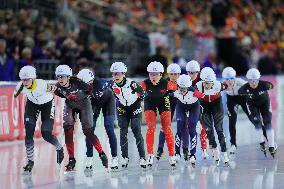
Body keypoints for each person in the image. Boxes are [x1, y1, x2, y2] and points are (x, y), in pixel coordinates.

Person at [53, 65, 108, 171]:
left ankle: (101, 153)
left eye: (62, 77)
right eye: (58, 77)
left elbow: (90, 90)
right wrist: (68, 97)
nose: (60, 79)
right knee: (68, 130)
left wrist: (83, 96)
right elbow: (58, 93)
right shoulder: (58, 87)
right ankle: (71, 159)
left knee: (88, 131)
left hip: (84, 104)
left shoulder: (78, 82)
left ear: (68, 77)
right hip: (70, 105)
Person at [14, 66, 64, 172]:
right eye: (23, 79)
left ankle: (59, 147)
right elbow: (15, 95)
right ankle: (30, 161)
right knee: (29, 130)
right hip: (32, 105)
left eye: (27, 79)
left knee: (46, 133)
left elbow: (54, 89)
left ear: (33, 78)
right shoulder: (20, 86)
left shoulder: (41, 84)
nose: (25, 82)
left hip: (47, 105)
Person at [77, 69, 118, 170]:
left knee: (109, 127)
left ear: (91, 81)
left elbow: (113, 82)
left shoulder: (100, 83)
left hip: (108, 101)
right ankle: (89, 157)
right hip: (94, 104)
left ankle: (114, 157)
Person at [110, 62, 147, 168]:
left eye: (117, 74)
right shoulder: (112, 85)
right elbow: (115, 96)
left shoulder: (131, 83)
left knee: (136, 130)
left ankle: (142, 157)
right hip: (122, 108)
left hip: (134, 107)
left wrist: (138, 103)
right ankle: (125, 157)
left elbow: (143, 93)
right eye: (113, 74)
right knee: (123, 132)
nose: (115, 76)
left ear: (123, 74)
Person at [222, 67, 267, 154]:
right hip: (231, 99)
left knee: (253, 119)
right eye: (227, 79)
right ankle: (233, 144)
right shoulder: (223, 85)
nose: (229, 81)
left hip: (243, 99)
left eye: (231, 78)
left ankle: (267, 138)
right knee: (232, 121)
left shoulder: (241, 82)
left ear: (235, 77)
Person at [141, 61, 176, 167]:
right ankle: (150, 154)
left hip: (163, 102)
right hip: (149, 103)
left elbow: (181, 89)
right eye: (151, 74)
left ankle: (171, 155)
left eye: (155, 74)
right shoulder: (144, 83)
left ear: (161, 74)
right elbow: (135, 92)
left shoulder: (167, 83)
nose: (153, 77)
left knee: (167, 128)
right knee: (151, 127)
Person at [238, 68, 277, 157]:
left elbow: (271, 85)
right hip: (252, 106)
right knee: (257, 123)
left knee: (267, 123)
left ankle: (271, 146)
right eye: (251, 81)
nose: (254, 83)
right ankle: (261, 142)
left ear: (259, 79)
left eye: (256, 80)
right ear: (248, 81)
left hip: (265, 104)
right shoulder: (244, 88)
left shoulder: (264, 85)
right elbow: (239, 92)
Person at [195, 67, 229, 165]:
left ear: (213, 81)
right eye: (205, 82)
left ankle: (224, 153)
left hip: (216, 105)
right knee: (209, 130)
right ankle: (214, 150)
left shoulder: (218, 85)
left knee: (219, 129)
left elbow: (227, 86)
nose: (207, 85)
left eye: (209, 83)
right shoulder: (198, 86)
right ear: (202, 81)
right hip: (205, 106)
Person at [174, 74, 205, 166]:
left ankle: (193, 154)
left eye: (184, 89)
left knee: (192, 128)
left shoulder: (194, 92)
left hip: (194, 107)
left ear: (188, 87)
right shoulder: (174, 89)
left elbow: (204, 98)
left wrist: (201, 115)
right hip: (181, 106)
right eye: (180, 88)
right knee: (179, 128)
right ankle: (177, 153)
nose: (182, 91)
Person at [156, 63, 180, 160]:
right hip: (168, 104)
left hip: (181, 103)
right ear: (168, 74)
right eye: (171, 74)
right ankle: (160, 149)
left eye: (175, 74)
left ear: (179, 74)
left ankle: (181, 150)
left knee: (183, 124)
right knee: (165, 126)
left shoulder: (183, 82)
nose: (173, 77)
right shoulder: (164, 82)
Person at [186, 60, 209, 159]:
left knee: (202, 126)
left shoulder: (202, 81)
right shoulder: (185, 80)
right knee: (189, 128)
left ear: (198, 72)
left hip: (201, 105)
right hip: (189, 106)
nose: (191, 75)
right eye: (189, 73)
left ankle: (204, 149)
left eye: (193, 73)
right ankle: (188, 149)